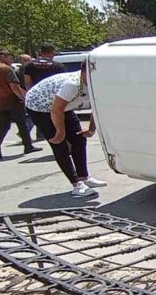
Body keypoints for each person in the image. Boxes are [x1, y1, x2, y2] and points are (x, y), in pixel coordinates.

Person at [25, 61, 105, 198]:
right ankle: (76, 185)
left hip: (63, 107)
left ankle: (84, 177)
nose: (95, 76)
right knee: (60, 145)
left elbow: (98, 108)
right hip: (40, 106)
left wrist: (91, 129)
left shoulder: (98, 83)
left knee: (79, 139)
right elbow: (56, 110)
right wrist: (60, 132)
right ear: (83, 72)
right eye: (91, 73)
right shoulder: (72, 84)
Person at [0, 50, 41, 159]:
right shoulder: (6, 69)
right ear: (2, 57)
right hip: (12, 102)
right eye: (10, 58)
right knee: (22, 124)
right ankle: (28, 146)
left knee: (3, 125)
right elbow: (14, 87)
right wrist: (23, 98)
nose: (12, 60)